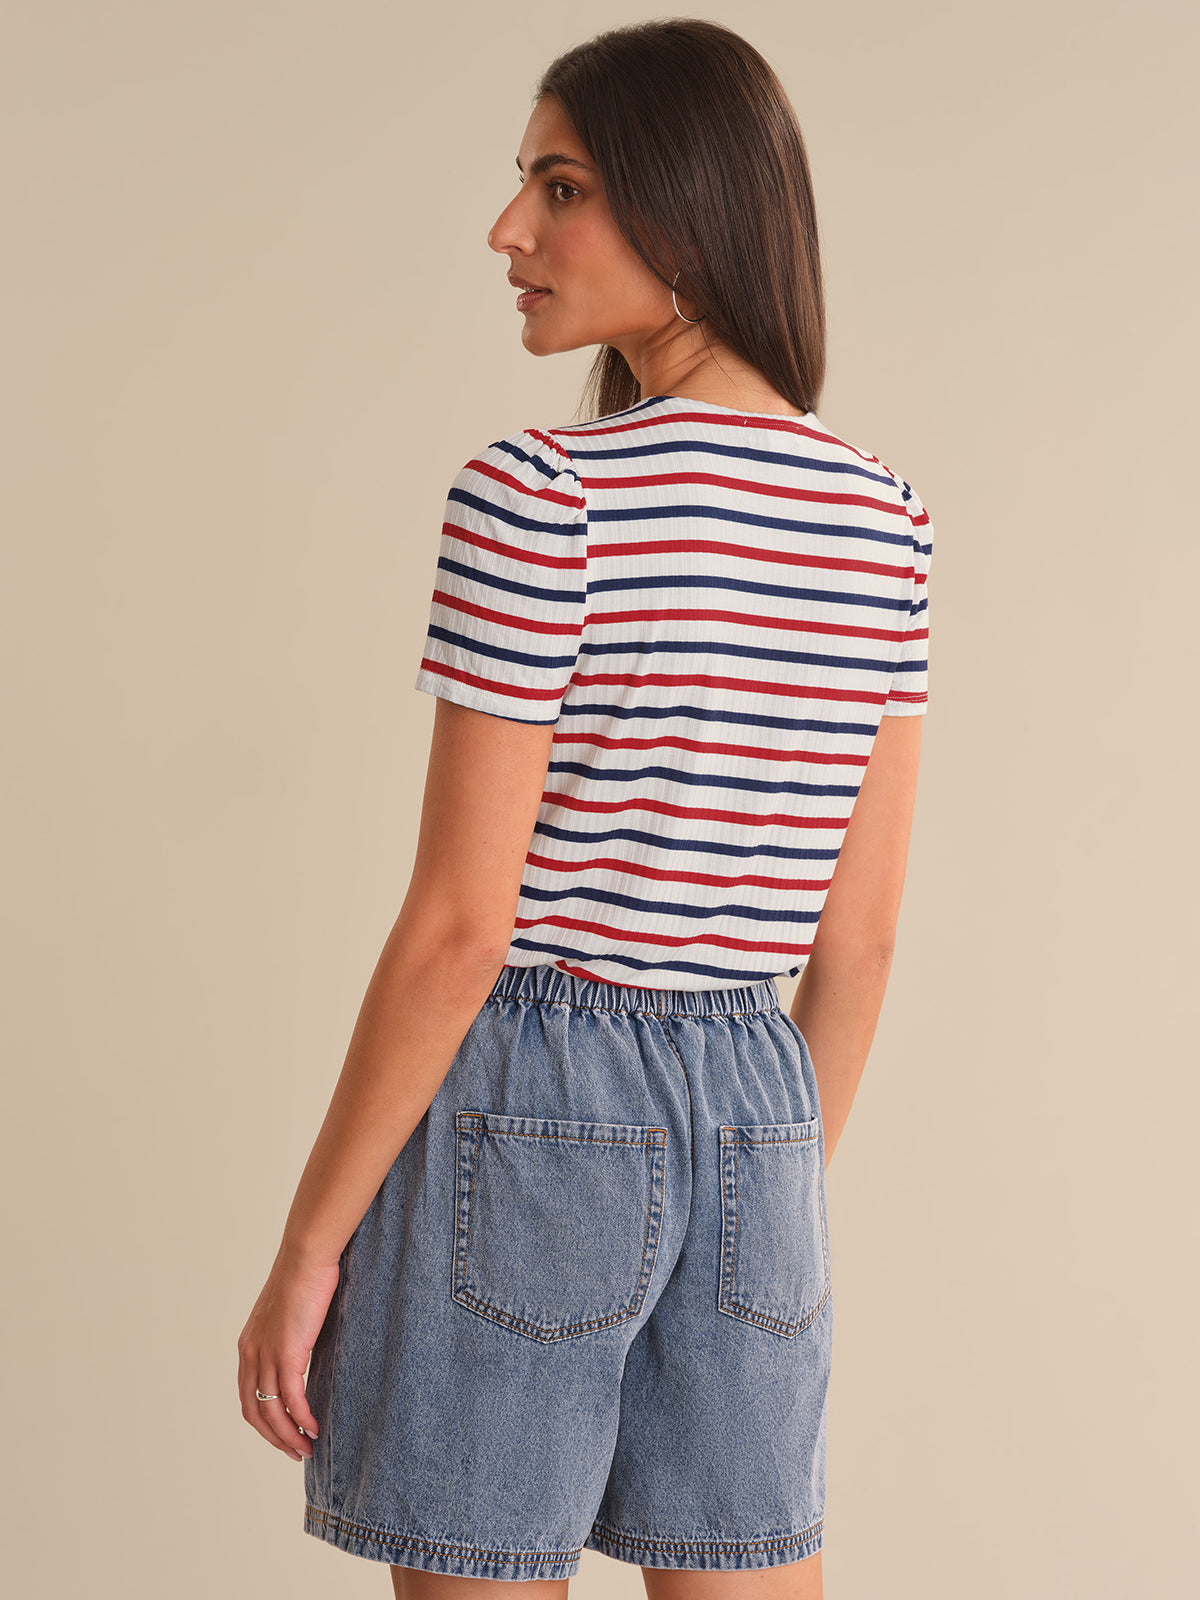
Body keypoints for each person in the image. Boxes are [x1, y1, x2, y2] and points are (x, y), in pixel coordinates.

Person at [237, 18, 934, 1599]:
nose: (510, 232)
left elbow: (463, 928)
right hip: (766, 1111)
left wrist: (307, 1250)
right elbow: (866, 936)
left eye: (561, 188)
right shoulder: (884, 519)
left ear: (685, 213)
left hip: (534, 1103)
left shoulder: (544, 496)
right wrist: (761, 1190)